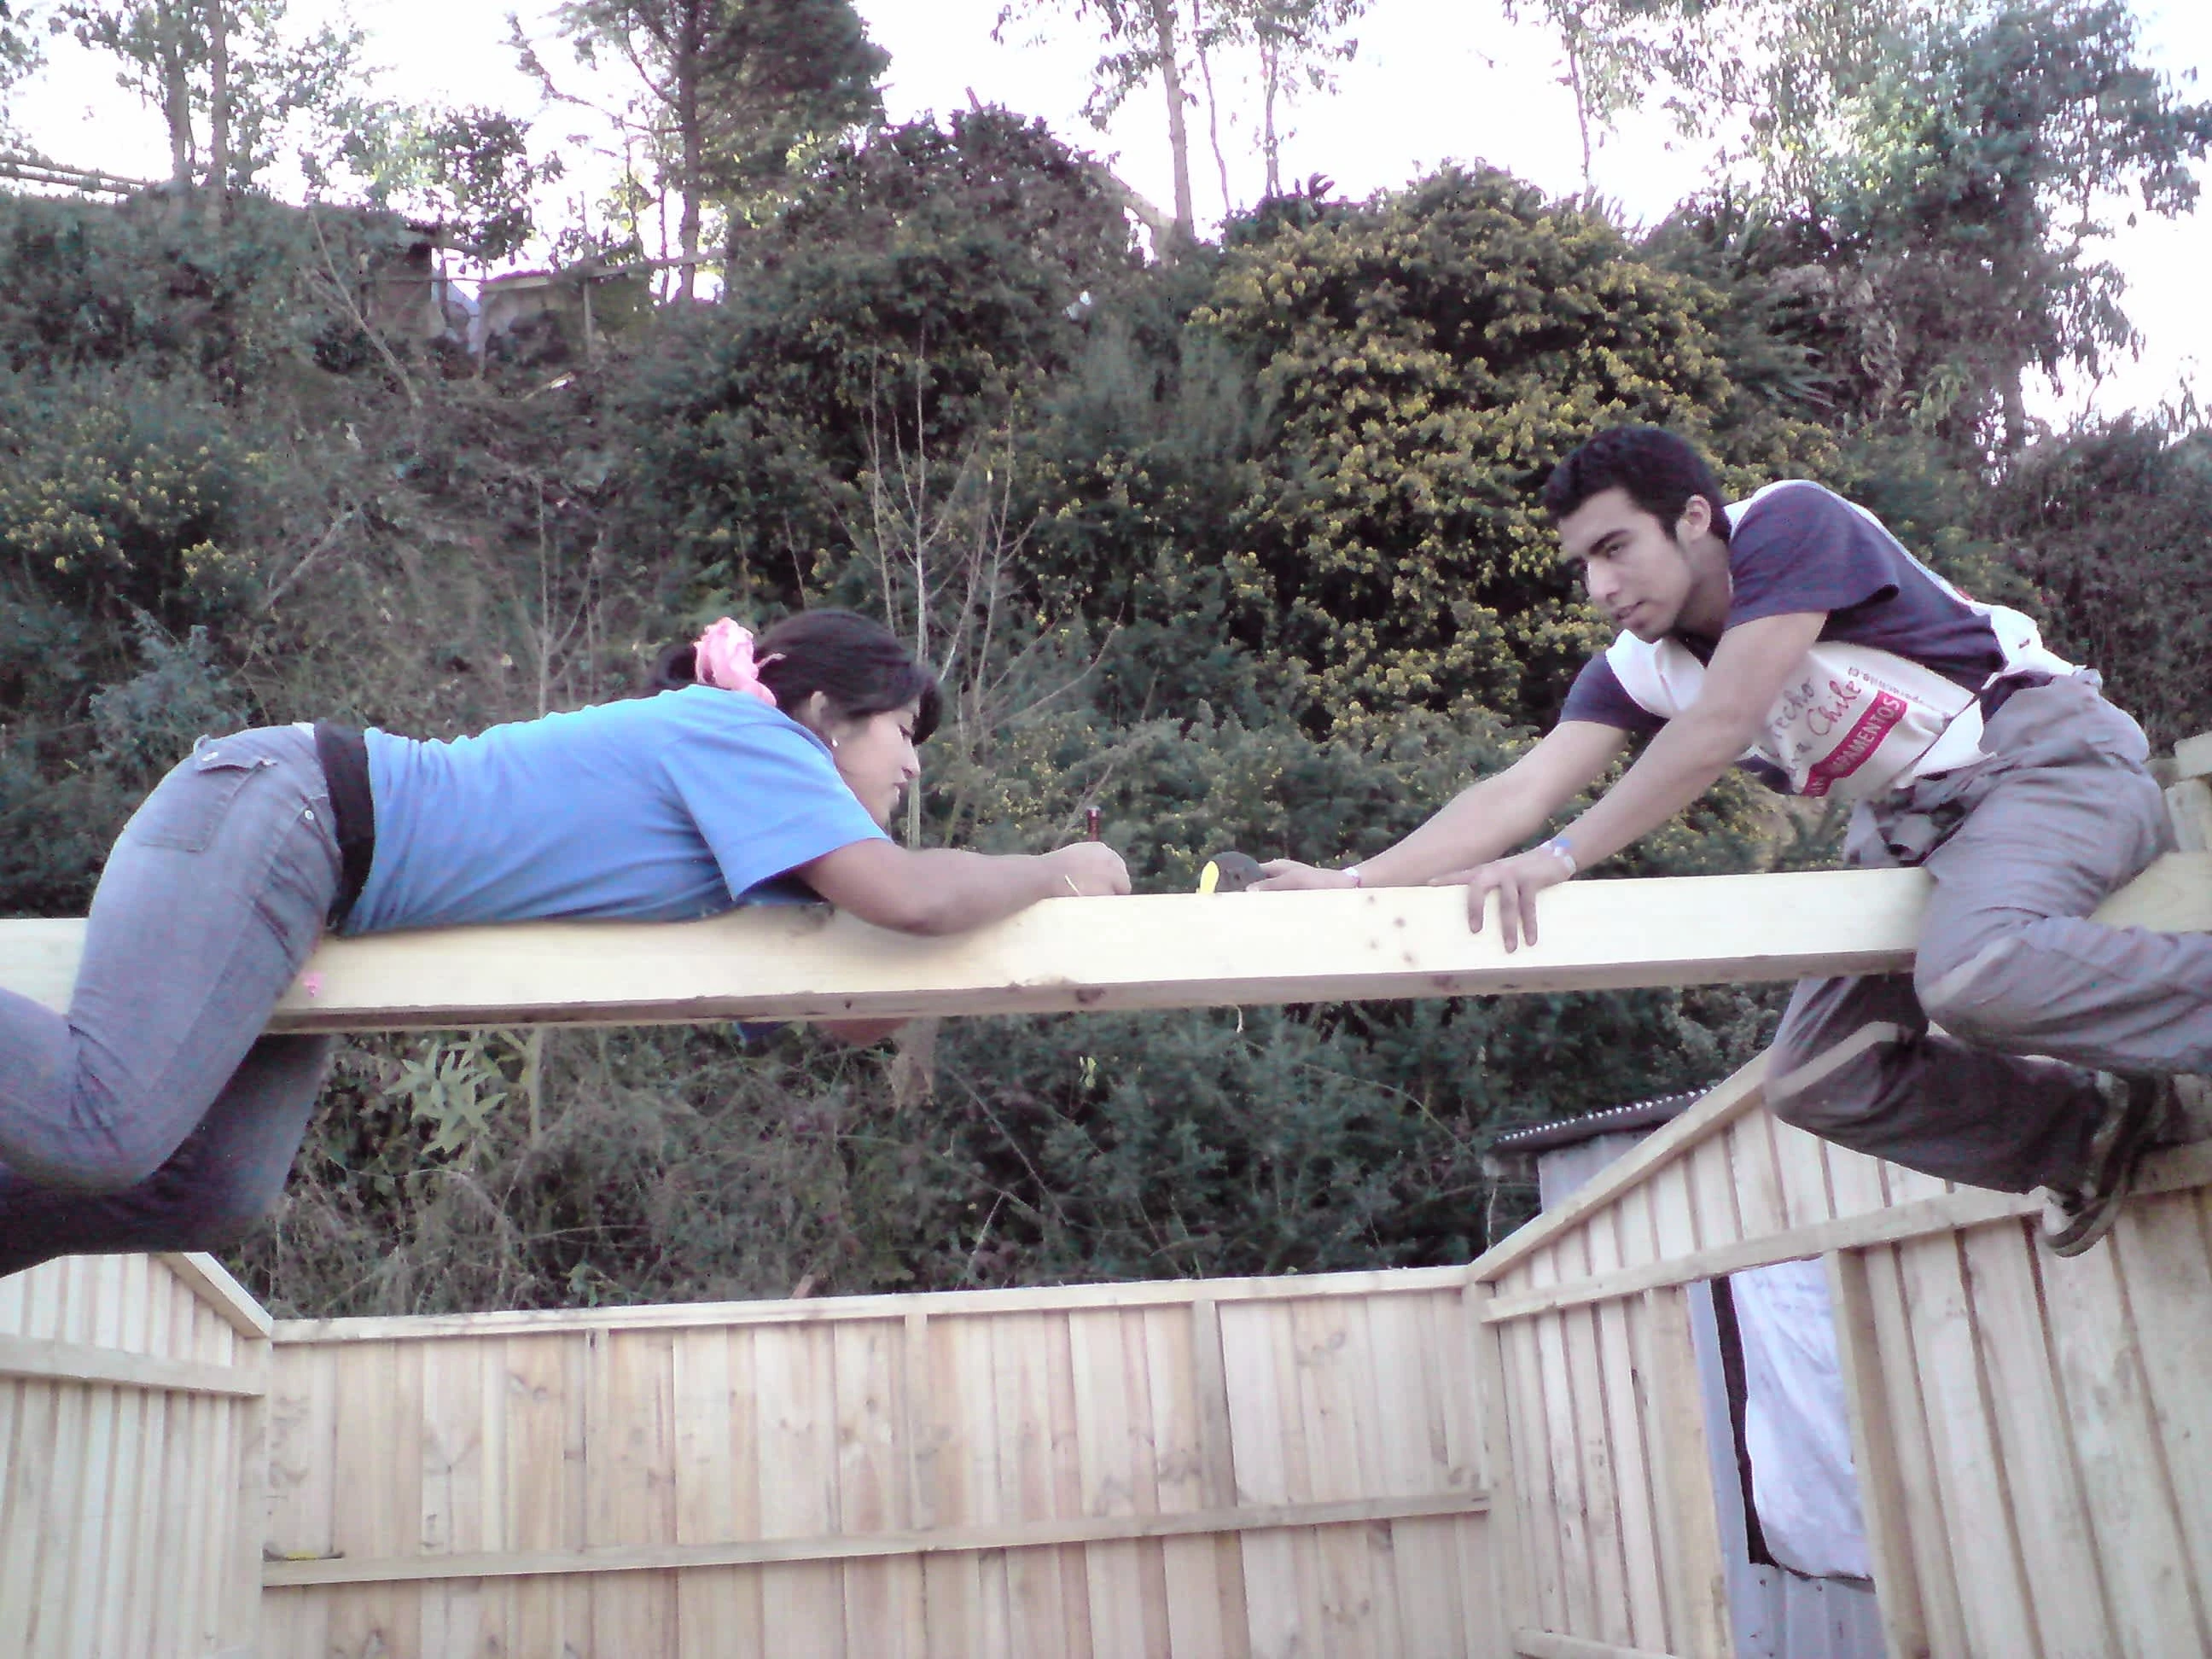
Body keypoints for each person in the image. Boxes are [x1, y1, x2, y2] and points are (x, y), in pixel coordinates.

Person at [1256, 424, 2212, 1254]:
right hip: (1915, 831)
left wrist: (1557, 861)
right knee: (1818, 1079)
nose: (1600, 585)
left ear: (1696, 519)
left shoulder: (1792, 525)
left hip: (2039, 758)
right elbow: (1523, 787)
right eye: (1583, 564)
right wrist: (1353, 883)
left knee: (1974, 976)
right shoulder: (1640, 667)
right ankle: (2091, 1132)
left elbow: (1718, 728)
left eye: (1617, 548)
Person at [0, 608, 1129, 1278]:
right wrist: (1059, 873)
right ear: (823, 712)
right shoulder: (747, 733)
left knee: (208, 1196)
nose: (915, 762)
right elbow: (912, 901)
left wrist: (1009, 952)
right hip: (288, 815)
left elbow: (851, 1016)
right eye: (901, 730)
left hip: (321, 896)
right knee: (108, 1124)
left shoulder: (769, 871)